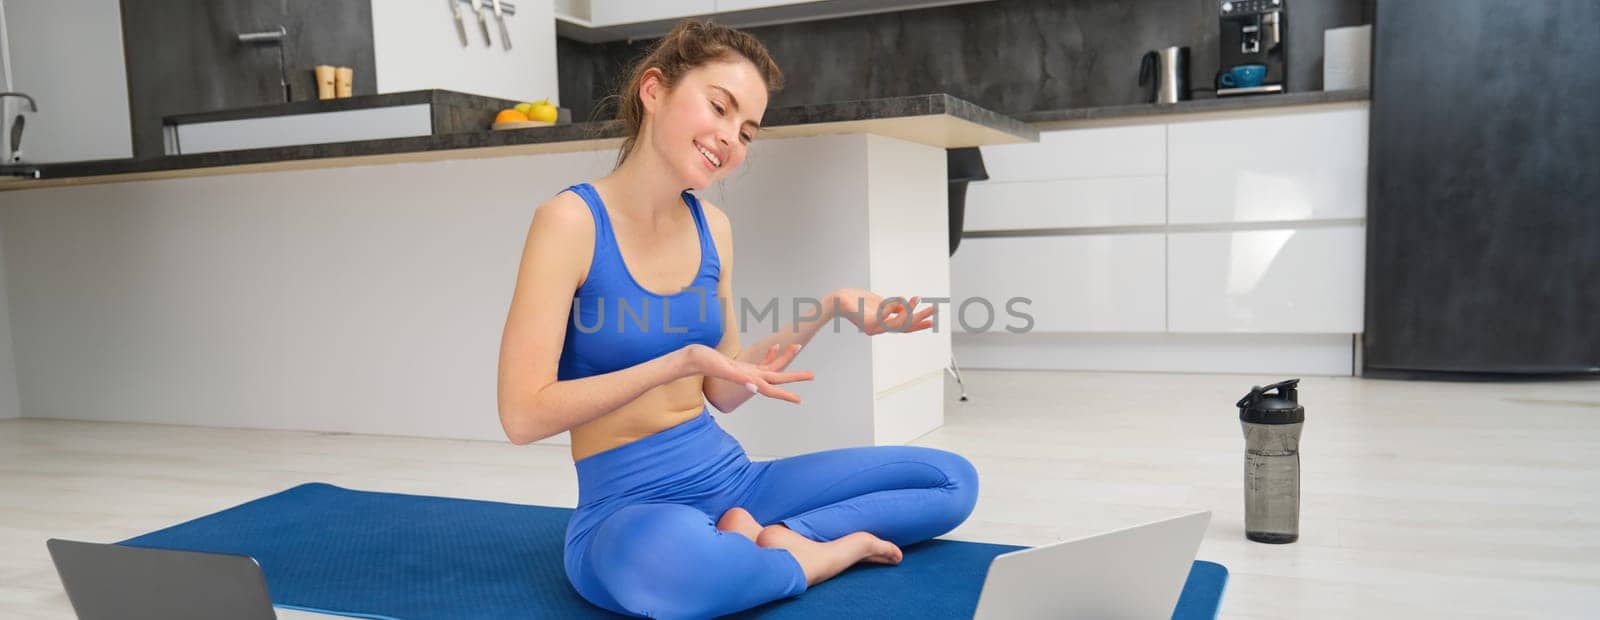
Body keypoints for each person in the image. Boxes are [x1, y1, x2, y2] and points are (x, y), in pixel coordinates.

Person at [496, 19, 979, 619]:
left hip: (735, 482)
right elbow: (522, 415)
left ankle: (759, 537)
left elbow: (723, 387)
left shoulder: (712, 230)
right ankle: (818, 553)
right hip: (627, 509)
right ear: (654, 91)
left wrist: (828, 309)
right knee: (679, 577)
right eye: (719, 108)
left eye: (746, 130)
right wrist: (675, 363)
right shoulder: (570, 221)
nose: (729, 138)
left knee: (950, 482)